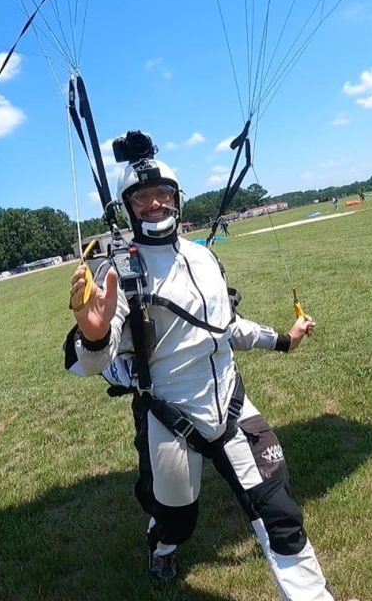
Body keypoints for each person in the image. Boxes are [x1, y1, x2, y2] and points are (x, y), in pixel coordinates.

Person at [64, 150, 333, 600]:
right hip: (170, 415)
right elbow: (89, 363)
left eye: (162, 194)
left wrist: (283, 339)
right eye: (142, 197)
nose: (154, 204)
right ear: (127, 207)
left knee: (279, 512)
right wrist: (92, 334)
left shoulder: (204, 259)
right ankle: (163, 545)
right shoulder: (119, 274)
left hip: (231, 403)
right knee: (178, 519)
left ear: (177, 199)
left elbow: (227, 326)